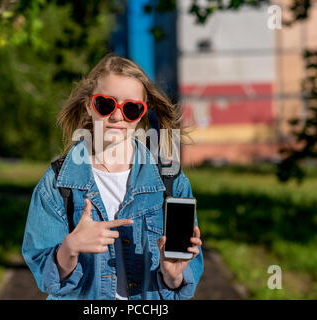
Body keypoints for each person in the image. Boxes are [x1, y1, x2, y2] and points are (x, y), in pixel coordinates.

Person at [21, 54, 203, 300]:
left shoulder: (171, 181)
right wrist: (70, 248)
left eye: (130, 108)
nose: (117, 117)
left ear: (142, 113)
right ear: (89, 105)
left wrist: (173, 274)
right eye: (106, 105)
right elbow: (46, 278)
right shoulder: (56, 184)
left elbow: (179, 286)